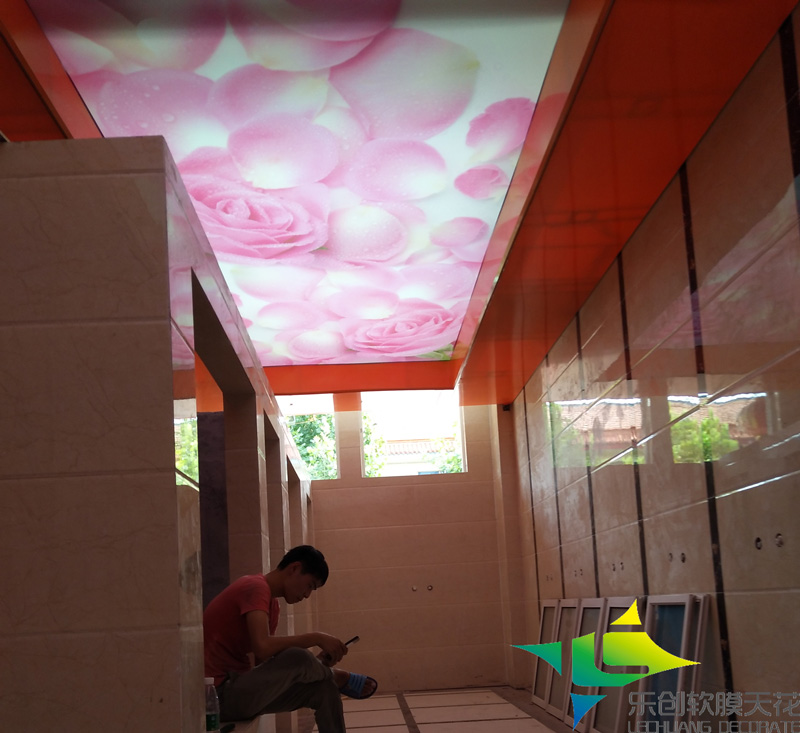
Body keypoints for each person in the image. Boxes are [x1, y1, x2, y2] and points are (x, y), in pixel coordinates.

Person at [203, 545, 377, 732]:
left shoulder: (273, 606)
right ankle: (334, 675)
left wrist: (314, 664)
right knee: (298, 656)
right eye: (310, 585)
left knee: (325, 689)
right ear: (294, 568)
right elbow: (262, 647)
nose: (307, 595)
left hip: (241, 693)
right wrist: (315, 638)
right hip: (217, 697)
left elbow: (264, 662)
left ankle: (326, 674)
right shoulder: (255, 586)